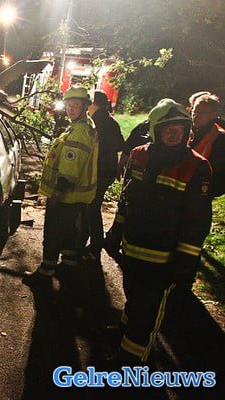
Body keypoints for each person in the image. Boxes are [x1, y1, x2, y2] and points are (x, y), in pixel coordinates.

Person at [105, 99, 212, 364]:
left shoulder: (196, 167)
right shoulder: (139, 155)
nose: (174, 135)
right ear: (155, 130)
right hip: (132, 249)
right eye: (167, 129)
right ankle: (125, 333)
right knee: (132, 297)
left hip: (162, 260)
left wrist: (186, 261)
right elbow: (126, 200)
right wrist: (116, 232)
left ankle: (130, 363)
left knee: (146, 313)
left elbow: (196, 221)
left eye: (180, 129)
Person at [22, 86, 98, 286]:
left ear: (85, 107)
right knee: (69, 231)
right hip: (76, 196)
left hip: (66, 194)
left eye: (76, 105)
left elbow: (70, 167)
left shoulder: (79, 131)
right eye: (69, 105)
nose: (71, 109)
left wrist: (57, 192)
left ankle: (45, 273)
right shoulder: (83, 126)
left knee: (53, 232)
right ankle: (68, 265)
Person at [79, 91, 124, 260]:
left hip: (98, 171)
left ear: (93, 104)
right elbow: (120, 145)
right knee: (90, 206)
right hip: (107, 171)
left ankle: (95, 246)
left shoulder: (96, 121)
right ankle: (83, 243)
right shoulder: (111, 121)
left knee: (91, 208)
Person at [190, 93, 225, 198]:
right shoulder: (189, 131)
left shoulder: (220, 137)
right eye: (194, 111)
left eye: (201, 113)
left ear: (214, 115)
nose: (195, 116)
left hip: (203, 190)